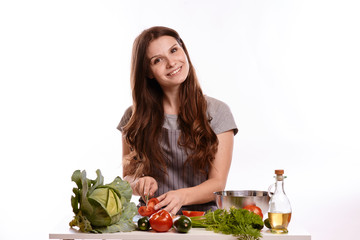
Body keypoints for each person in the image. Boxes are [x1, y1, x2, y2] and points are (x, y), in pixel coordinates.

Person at [117, 26, 238, 216]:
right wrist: (138, 183)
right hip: (152, 219)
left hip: (203, 222)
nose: (171, 62)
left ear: (183, 50)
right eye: (157, 60)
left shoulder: (218, 112)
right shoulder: (133, 117)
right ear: (148, 71)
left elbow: (218, 183)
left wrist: (182, 196)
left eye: (174, 50)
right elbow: (127, 177)